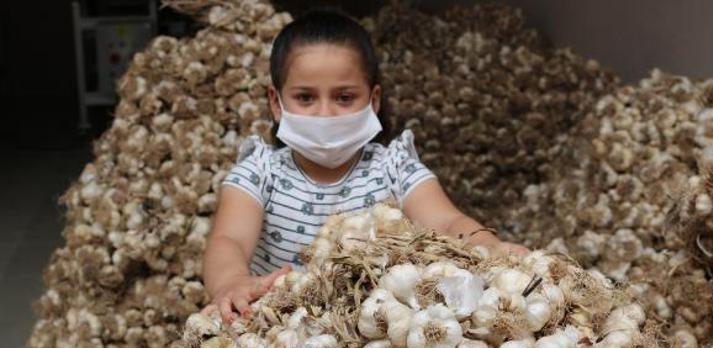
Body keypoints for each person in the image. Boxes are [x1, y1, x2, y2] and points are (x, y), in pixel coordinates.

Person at [202, 9, 528, 324]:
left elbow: (446, 221)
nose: (325, 113)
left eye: (344, 97)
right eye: (305, 97)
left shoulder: (393, 167)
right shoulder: (260, 172)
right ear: (276, 102)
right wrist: (230, 282)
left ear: (373, 101)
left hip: (372, 333)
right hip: (276, 331)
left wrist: (490, 247)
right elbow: (229, 240)